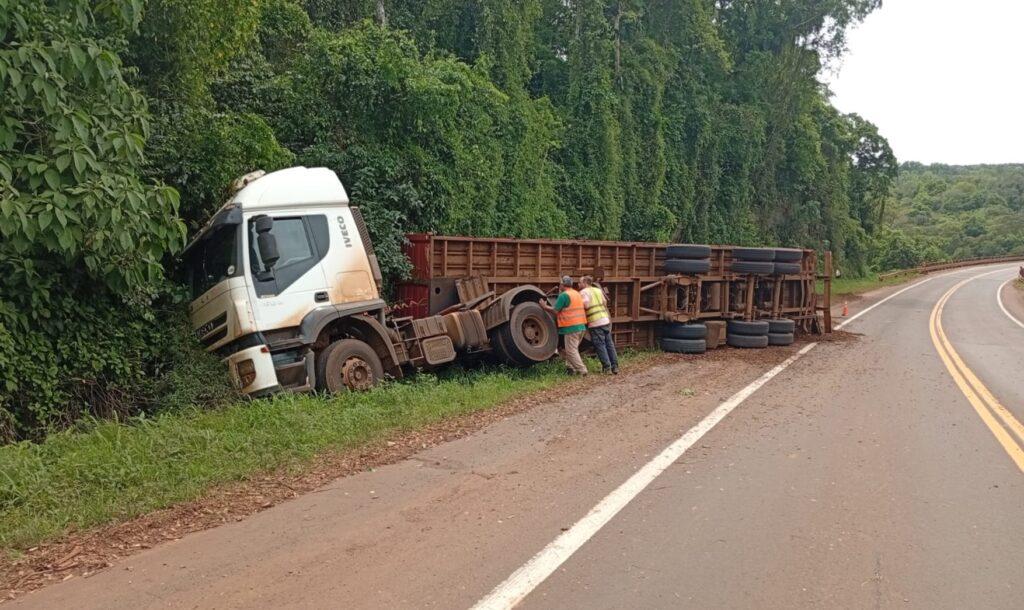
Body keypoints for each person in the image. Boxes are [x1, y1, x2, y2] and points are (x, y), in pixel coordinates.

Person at [538, 276, 588, 375]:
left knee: (571, 351)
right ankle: (571, 368)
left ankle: (582, 370)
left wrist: (544, 307)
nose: (559, 285)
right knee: (573, 349)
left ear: (563, 285)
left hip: (571, 327)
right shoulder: (576, 293)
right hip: (581, 326)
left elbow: (555, 310)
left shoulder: (564, 295)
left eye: (560, 283)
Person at [580, 275, 618, 374]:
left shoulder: (583, 292)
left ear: (585, 283)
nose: (578, 284)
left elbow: (585, 305)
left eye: (580, 282)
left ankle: (607, 368)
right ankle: (615, 367)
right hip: (605, 319)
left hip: (595, 322)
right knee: (609, 344)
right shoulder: (598, 290)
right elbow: (604, 302)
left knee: (600, 345)